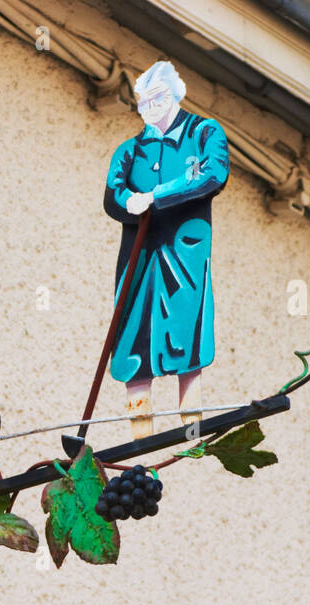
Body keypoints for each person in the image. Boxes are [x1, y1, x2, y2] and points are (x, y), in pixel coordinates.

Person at [103, 60, 230, 439]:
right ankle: (140, 431)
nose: (150, 107)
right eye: (143, 101)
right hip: (139, 255)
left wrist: (156, 195)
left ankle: (191, 422)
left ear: (176, 94)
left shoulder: (204, 132)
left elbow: (212, 173)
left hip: (183, 251)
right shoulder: (130, 149)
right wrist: (129, 202)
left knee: (186, 329)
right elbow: (113, 193)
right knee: (132, 332)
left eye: (157, 98)